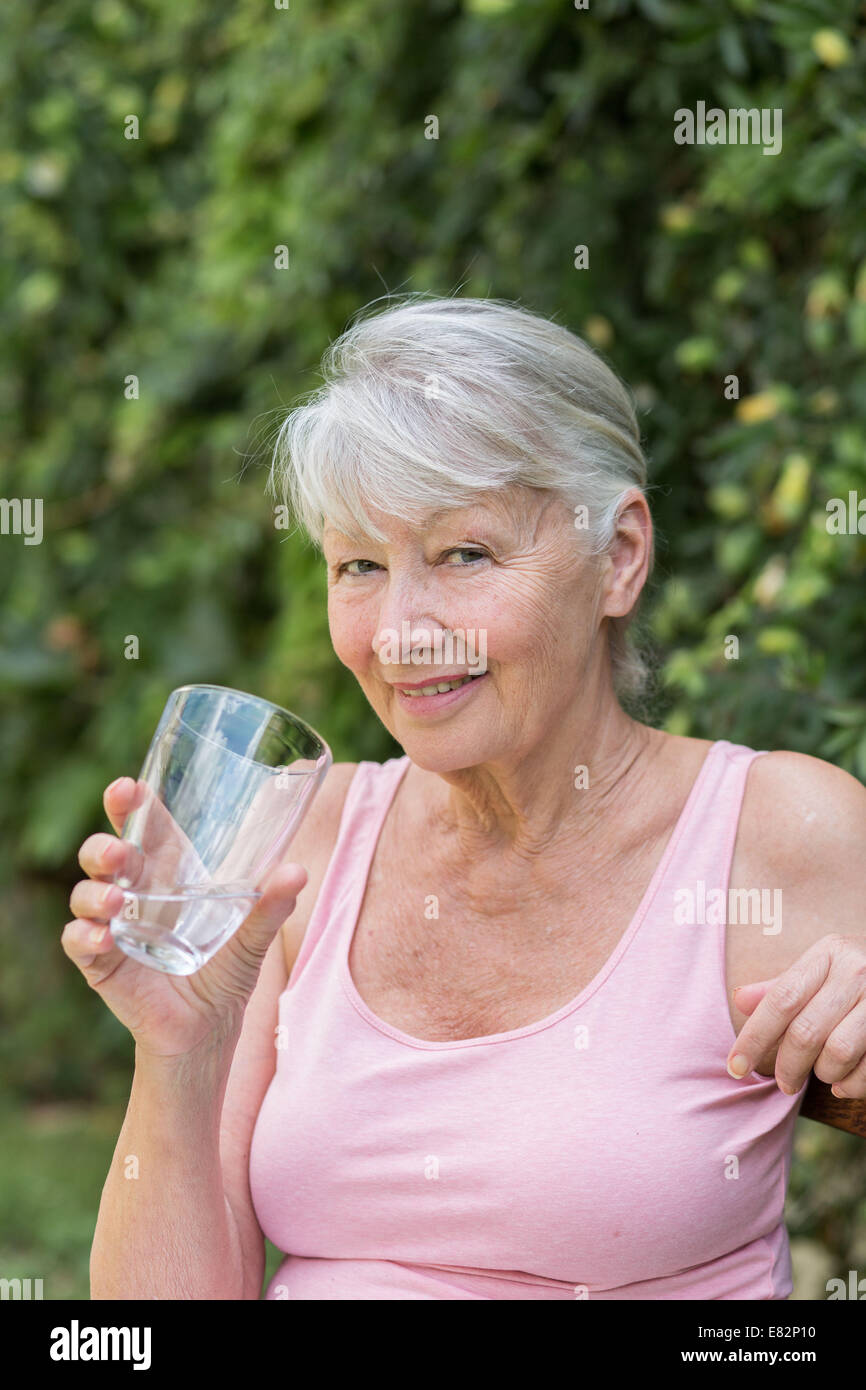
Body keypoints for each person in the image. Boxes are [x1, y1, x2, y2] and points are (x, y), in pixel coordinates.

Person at [65, 294, 866, 1299]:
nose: (401, 631)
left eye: (464, 554)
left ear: (616, 557)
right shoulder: (299, 838)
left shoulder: (775, 831)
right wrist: (178, 1052)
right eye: (358, 564)